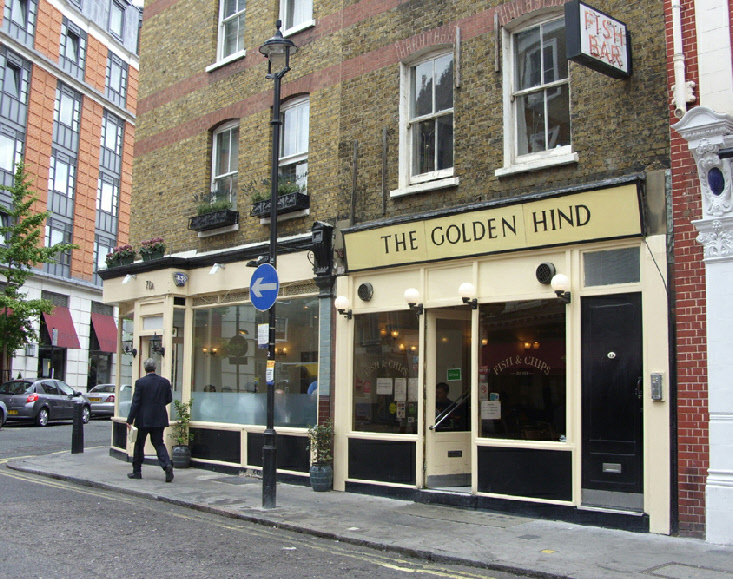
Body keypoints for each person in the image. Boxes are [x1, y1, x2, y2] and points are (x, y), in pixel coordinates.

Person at [126, 358, 174, 482]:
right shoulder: (165, 382)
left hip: (143, 419)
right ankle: (167, 465)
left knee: (139, 444)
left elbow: (135, 403)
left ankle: (137, 471)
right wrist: (158, 404)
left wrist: (129, 419)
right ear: (155, 368)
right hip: (159, 418)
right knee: (159, 443)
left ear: (145, 368)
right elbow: (169, 399)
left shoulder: (140, 383)